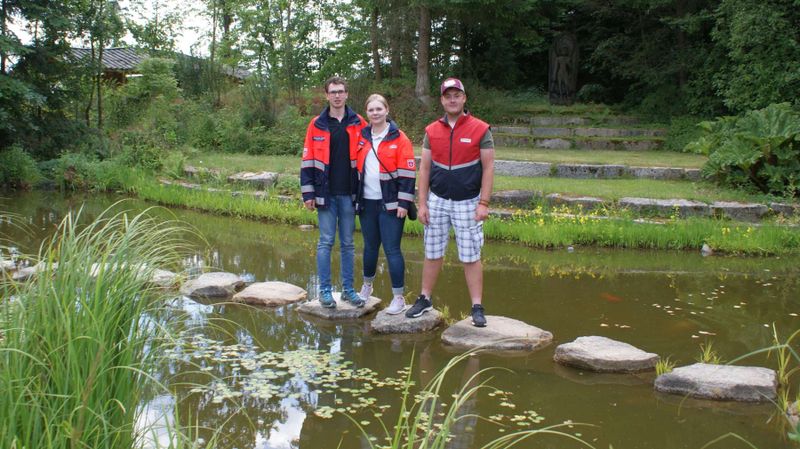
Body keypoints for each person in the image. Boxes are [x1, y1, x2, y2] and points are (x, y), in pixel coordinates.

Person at [405, 78, 495, 327]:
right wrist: (422, 204)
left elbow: (488, 168)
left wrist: (484, 203)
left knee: (470, 255)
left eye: (457, 95)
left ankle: (477, 306)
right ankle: (424, 299)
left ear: (464, 98)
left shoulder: (480, 129)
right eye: (448, 96)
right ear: (442, 100)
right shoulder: (431, 130)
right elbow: (424, 169)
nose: (452, 99)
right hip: (438, 201)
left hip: (468, 202)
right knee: (432, 252)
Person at [301, 76, 367, 308]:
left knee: (348, 243)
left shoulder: (359, 122)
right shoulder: (316, 124)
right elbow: (308, 159)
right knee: (326, 242)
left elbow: (370, 154)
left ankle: (348, 290)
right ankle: (325, 291)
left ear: (347, 94)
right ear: (327, 95)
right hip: (325, 195)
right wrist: (308, 194)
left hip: (350, 194)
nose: (337, 95)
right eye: (333, 92)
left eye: (341, 91)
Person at [355, 94, 416, 314]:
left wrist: (403, 203)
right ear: (367, 113)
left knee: (392, 249)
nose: (375, 113)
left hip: (391, 204)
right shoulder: (362, 137)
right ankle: (367, 287)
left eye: (379, 109)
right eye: (371, 110)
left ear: (387, 110)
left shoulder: (400, 138)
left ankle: (398, 297)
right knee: (370, 247)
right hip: (367, 203)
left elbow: (408, 174)